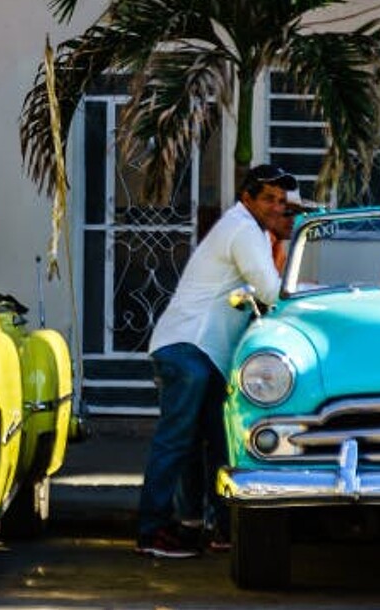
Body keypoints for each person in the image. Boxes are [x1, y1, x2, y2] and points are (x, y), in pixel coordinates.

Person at [134, 164, 293, 559]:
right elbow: (272, 291)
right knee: (176, 443)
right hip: (190, 348)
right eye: (268, 198)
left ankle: (218, 528)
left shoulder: (251, 230)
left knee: (216, 444)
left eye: (281, 200)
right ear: (248, 198)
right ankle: (152, 531)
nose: (276, 206)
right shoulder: (243, 229)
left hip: (198, 351)